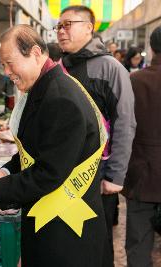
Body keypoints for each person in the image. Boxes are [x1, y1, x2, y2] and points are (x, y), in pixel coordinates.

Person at [0, 24, 110, 267]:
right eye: (3, 65)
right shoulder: (45, 87)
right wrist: (4, 171)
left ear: (35, 53)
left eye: (10, 63)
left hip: (66, 230)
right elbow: (36, 150)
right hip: (51, 219)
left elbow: (50, 171)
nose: (6, 72)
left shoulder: (61, 98)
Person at [55, 5, 136, 264]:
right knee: (65, 241)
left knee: (97, 244)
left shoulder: (110, 68)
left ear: (89, 28)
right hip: (61, 173)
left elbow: (125, 122)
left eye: (68, 24)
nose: (61, 31)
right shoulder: (58, 67)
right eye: (59, 26)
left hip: (97, 176)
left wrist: (115, 175)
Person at [122, 26, 161, 267]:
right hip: (143, 173)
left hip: (141, 176)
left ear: (152, 47)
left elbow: (122, 127)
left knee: (138, 245)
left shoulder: (135, 81)